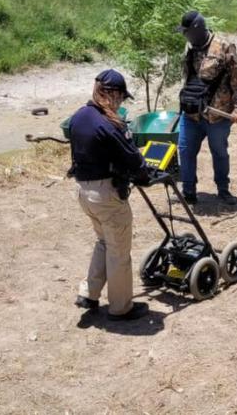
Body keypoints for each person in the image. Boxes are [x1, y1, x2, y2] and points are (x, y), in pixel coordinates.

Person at [68, 69, 150, 321]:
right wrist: (146, 174)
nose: (121, 103)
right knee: (119, 251)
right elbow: (133, 160)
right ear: (111, 95)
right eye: (121, 97)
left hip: (84, 192)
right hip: (106, 195)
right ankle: (121, 307)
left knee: (104, 242)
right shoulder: (110, 124)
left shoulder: (79, 116)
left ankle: (88, 294)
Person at [176, 11, 237, 206]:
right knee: (185, 150)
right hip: (191, 114)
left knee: (219, 152)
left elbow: (236, 81)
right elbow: (187, 78)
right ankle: (189, 191)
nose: (185, 35)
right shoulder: (189, 48)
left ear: (198, 29)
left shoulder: (224, 47)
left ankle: (223, 190)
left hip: (218, 115)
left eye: (187, 31)